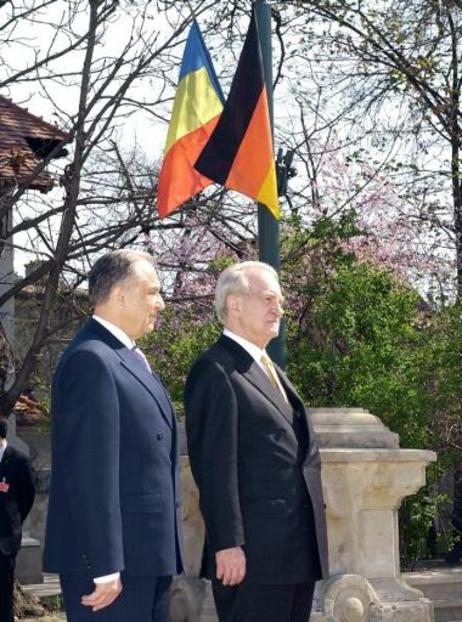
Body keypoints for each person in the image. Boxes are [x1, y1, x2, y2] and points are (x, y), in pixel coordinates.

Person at [185, 261, 329, 622]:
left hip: (294, 554)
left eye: (279, 300)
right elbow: (215, 469)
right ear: (235, 305)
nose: (278, 309)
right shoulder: (216, 370)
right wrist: (227, 543)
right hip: (252, 559)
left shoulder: (270, 369)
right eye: (268, 298)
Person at [43, 250, 183, 622]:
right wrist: (104, 565)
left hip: (144, 559)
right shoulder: (92, 359)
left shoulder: (125, 356)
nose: (161, 304)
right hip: (112, 571)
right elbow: (89, 471)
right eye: (152, 292)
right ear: (121, 295)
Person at [0, 417, 36, 622]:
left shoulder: (18, 460)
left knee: (4, 590)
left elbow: (27, 496)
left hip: (5, 539)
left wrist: (14, 520)